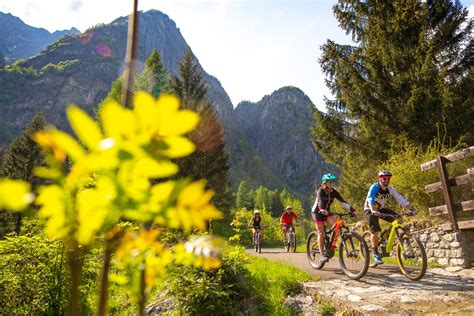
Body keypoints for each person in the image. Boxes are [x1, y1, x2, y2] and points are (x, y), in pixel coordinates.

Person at [364, 170, 416, 265]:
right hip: (370, 209)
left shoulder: (390, 189)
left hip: (381, 209)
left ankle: (385, 239)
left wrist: (411, 209)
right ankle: (375, 253)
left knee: (398, 219)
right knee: (374, 230)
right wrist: (373, 210)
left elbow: (400, 199)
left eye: (388, 178)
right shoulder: (374, 187)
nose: (386, 180)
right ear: (379, 178)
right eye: (384, 178)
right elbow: (370, 198)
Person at [311, 173, 356, 262]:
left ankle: (329, 243)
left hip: (327, 212)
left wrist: (352, 210)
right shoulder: (321, 191)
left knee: (336, 226)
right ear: (325, 183)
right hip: (317, 212)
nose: (332, 184)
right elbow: (320, 201)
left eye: (333, 182)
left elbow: (342, 202)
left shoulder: (333, 192)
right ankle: (322, 254)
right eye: (330, 182)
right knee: (321, 232)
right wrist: (321, 209)